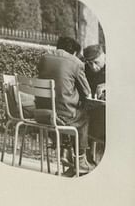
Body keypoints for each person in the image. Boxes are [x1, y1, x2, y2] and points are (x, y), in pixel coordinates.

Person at [36, 35, 95, 176]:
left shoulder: (44, 58)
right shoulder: (75, 63)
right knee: (84, 116)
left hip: (42, 114)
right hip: (62, 117)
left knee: (66, 110)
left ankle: (66, 150)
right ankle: (80, 159)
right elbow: (87, 92)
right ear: (74, 52)